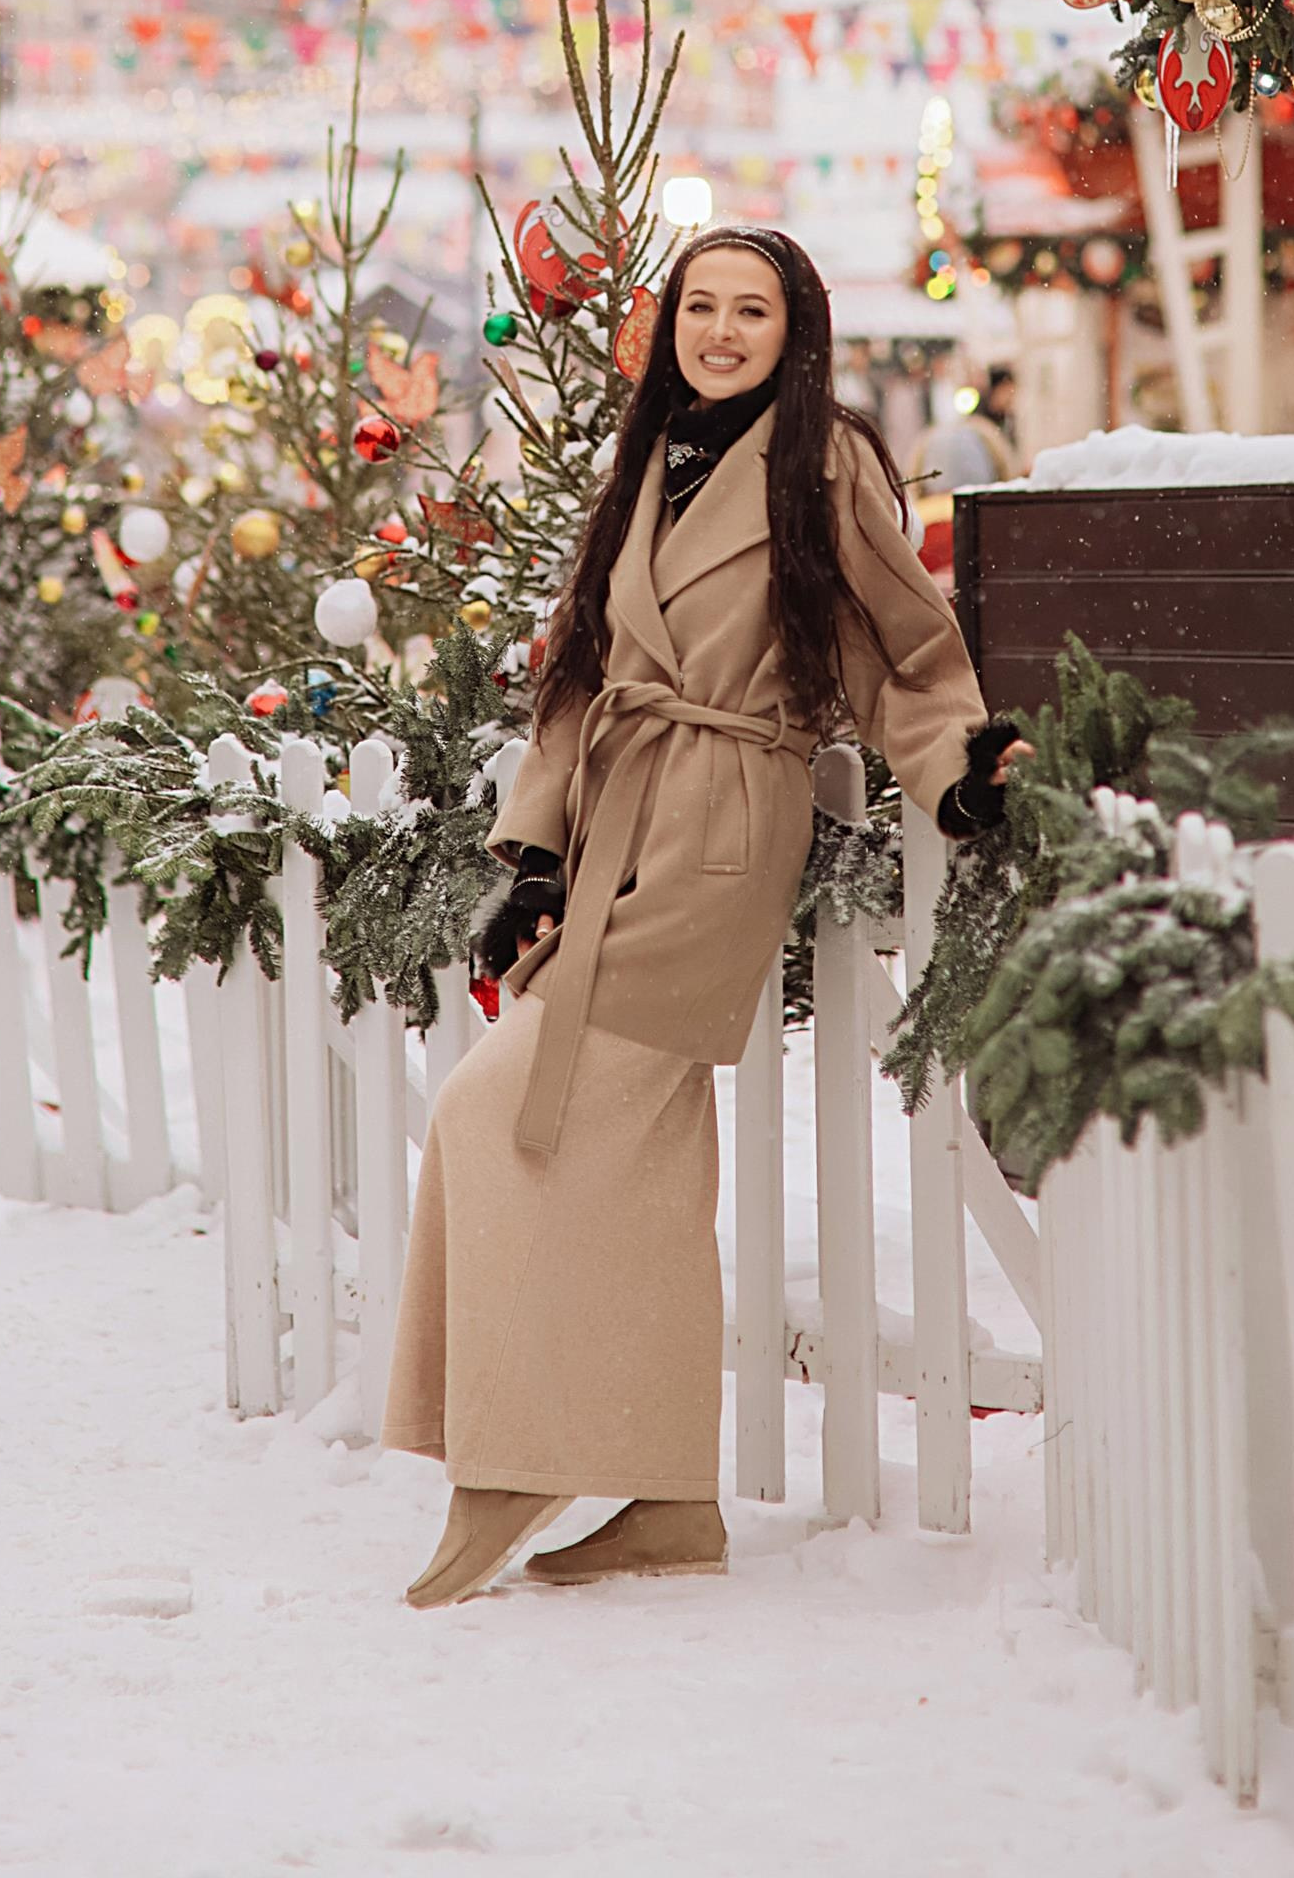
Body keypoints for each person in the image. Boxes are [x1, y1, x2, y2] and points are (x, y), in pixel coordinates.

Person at [382, 225, 1019, 1606]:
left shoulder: (827, 460)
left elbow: (902, 637)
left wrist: (957, 764)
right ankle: (668, 1497)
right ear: (669, 323)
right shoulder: (650, 454)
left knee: (498, 1113)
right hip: (618, 815)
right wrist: (536, 856)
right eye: (701, 307)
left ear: (796, 333)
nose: (722, 332)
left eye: (753, 311)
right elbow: (583, 672)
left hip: (724, 821)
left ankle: (520, 1452)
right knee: (646, 1167)